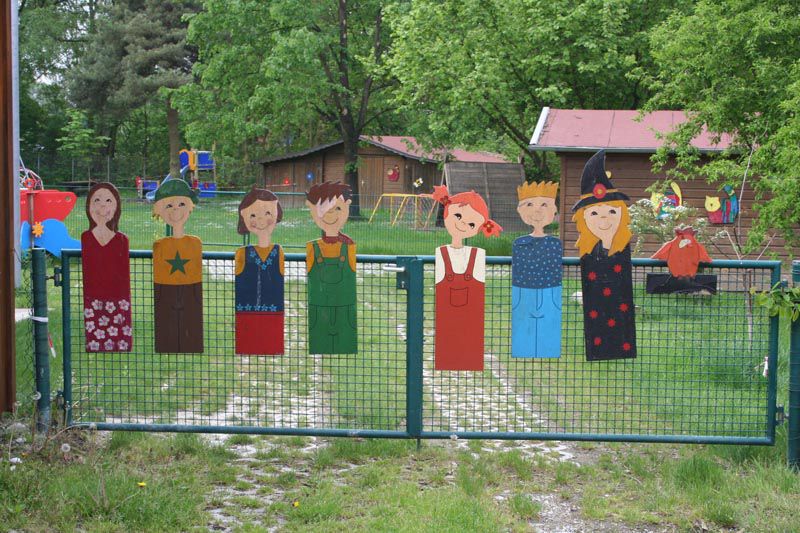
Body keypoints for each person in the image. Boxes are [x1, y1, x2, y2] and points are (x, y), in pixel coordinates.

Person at [571, 150, 636, 361]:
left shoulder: (622, 250)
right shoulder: (589, 254)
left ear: (622, 214)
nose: (604, 220)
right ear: (583, 219)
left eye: (611, 212)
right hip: (597, 317)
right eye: (594, 213)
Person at [430, 185, 502, 371]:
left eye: (471, 224)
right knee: (448, 343)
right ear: (447, 212)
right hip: (447, 323)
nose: (462, 224)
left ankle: (465, 357)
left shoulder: (477, 255)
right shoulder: (442, 253)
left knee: (468, 341)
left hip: (470, 324)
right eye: (458, 216)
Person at [305, 181, 357, 354]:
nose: (331, 214)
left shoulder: (348, 246)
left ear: (347, 206)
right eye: (325, 210)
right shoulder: (313, 248)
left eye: (337, 208)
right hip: (319, 309)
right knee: (320, 336)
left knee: (344, 337)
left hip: (344, 309)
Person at [152, 179, 203, 353]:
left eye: (181, 204)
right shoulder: (160, 245)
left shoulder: (194, 243)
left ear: (190, 207)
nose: (175, 210)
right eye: (169, 206)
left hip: (191, 290)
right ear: (160, 210)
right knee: (168, 323)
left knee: (189, 322)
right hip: (165, 291)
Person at [512, 181, 562, 358]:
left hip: (550, 291)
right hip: (523, 291)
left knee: (546, 327)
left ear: (554, 210)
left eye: (544, 205)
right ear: (521, 211)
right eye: (530, 205)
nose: (538, 210)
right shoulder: (520, 244)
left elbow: (554, 273)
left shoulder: (555, 244)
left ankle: (545, 347)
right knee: (525, 326)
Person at [81, 183, 132, 352]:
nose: (102, 205)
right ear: (89, 207)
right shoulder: (87, 238)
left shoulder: (121, 240)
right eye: (97, 200)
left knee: (118, 332)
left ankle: (118, 343)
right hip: (94, 295)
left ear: (116, 207)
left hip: (117, 296)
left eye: (108, 201)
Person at [235, 188, 285, 355]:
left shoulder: (278, 252)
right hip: (246, 314)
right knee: (250, 341)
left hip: (273, 313)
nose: (261, 219)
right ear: (244, 218)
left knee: (270, 341)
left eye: (267, 213)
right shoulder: (243, 253)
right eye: (253, 215)